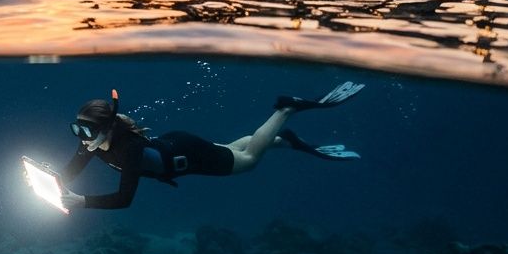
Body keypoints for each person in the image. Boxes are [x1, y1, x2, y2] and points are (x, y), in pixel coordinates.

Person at [59, 83, 364, 210]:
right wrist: (56, 182)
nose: (80, 136)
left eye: (85, 129)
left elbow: (125, 199)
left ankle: (286, 110)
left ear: (107, 127)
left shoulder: (130, 150)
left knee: (247, 159)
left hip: (187, 154)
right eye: (76, 128)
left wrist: (82, 201)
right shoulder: (91, 144)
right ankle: (285, 141)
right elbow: (72, 169)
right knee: (233, 148)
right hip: (175, 143)